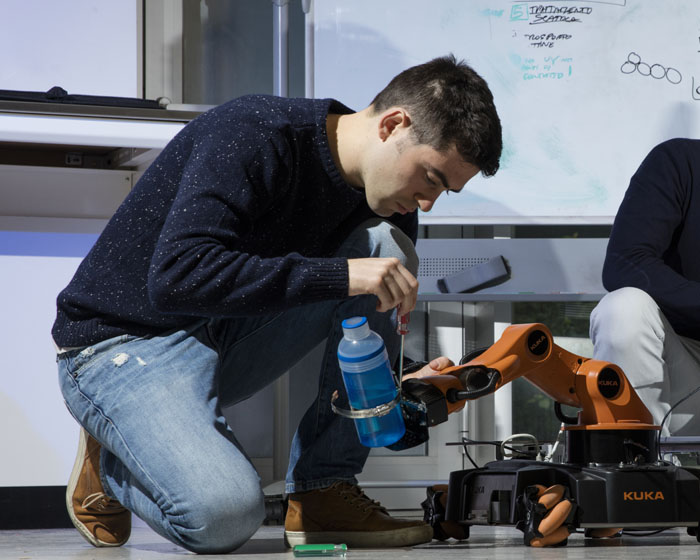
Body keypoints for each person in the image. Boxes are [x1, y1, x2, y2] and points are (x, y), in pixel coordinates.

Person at [52, 54, 502, 553]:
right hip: (124, 344)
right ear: (394, 124)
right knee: (224, 519)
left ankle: (323, 490)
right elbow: (176, 278)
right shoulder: (256, 132)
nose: (428, 202)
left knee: (385, 248)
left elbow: (357, 333)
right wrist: (340, 275)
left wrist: (402, 383)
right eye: (432, 178)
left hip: (224, 335)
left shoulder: (385, 201)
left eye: (445, 192)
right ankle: (115, 459)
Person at [590, 138, 700, 437]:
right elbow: (625, 264)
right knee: (623, 309)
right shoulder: (680, 161)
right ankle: (640, 468)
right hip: (685, 367)